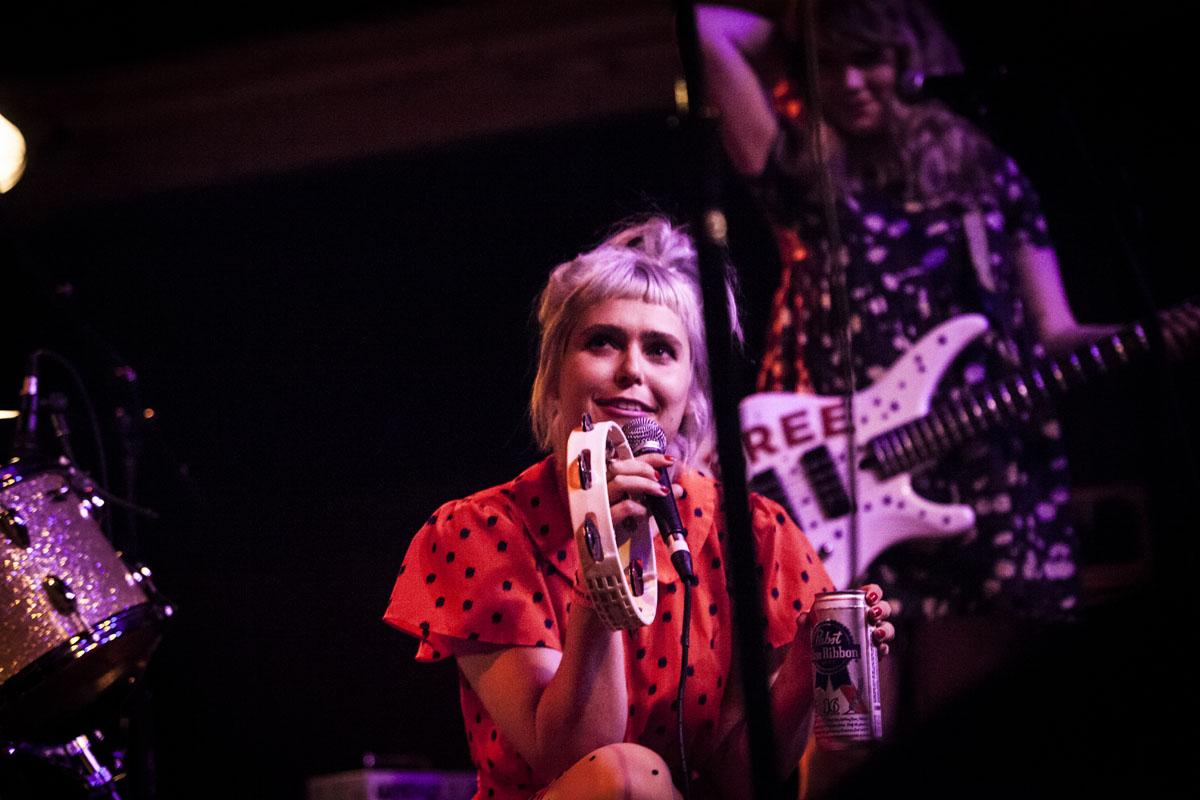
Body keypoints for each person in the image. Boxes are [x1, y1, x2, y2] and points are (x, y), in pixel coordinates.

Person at [694, 0, 1152, 790]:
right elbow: (705, 27)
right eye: (829, 65)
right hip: (841, 496)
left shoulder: (987, 172)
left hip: (985, 492)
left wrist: (1157, 335)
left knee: (963, 742)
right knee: (845, 733)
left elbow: (1055, 330)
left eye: (869, 59)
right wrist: (810, 31)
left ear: (913, 57)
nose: (849, 81)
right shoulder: (806, 170)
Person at [383, 216, 894, 800]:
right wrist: (607, 558)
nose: (632, 369)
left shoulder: (754, 533)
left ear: (691, 393)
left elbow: (739, 781)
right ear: (553, 376)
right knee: (628, 776)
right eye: (602, 341)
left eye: (660, 349)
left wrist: (807, 664)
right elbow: (582, 759)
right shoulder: (479, 531)